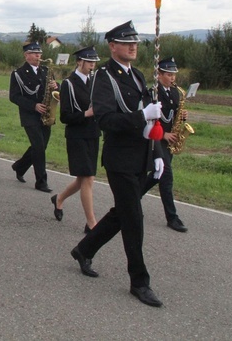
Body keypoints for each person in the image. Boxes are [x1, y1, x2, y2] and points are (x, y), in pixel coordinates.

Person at [69, 20, 165, 308]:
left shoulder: (136, 75)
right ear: (113, 46)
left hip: (143, 155)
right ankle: (140, 282)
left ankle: (84, 249)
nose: (133, 46)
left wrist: (158, 150)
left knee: (122, 212)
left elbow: (152, 119)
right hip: (120, 159)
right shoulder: (103, 78)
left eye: (135, 42)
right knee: (133, 218)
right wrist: (141, 117)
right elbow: (106, 120)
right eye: (127, 42)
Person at [52, 46, 101, 233]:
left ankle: (59, 199)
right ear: (79, 62)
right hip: (77, 136)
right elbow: (65, 117)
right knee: (88, 178)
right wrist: (86, 113)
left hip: (93, 134)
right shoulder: (69, 84)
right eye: (89, 62)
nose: (92, 65)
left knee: (84, 179)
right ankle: (91, 223)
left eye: (94, 62)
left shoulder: (94, 81)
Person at [140, 57, 188, 233]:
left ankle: (133, 197)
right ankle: (172, 218)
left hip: (170, 140)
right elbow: (149, 118)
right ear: (159, 75)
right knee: (166, 177)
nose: (172, 78)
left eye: (174, 74)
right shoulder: (152, 92)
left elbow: (172, 114)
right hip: (156, 139)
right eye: (169, 74)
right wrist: (164, 134)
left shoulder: (175, 93)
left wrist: (181, 117)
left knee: (157, 175)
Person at [9, 41, 57, 192]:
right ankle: (41, 182)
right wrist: (33, 106)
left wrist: (57, 86)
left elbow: (55, 89)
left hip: (46, 114)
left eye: (40, 53)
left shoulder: (46, 70)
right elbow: (14, 96)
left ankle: (19, 167)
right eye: (35, 53)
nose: (38, 56)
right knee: (38, 147)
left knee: (41, 146)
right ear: (26, 55)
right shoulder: (18, 73)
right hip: (30, 115)